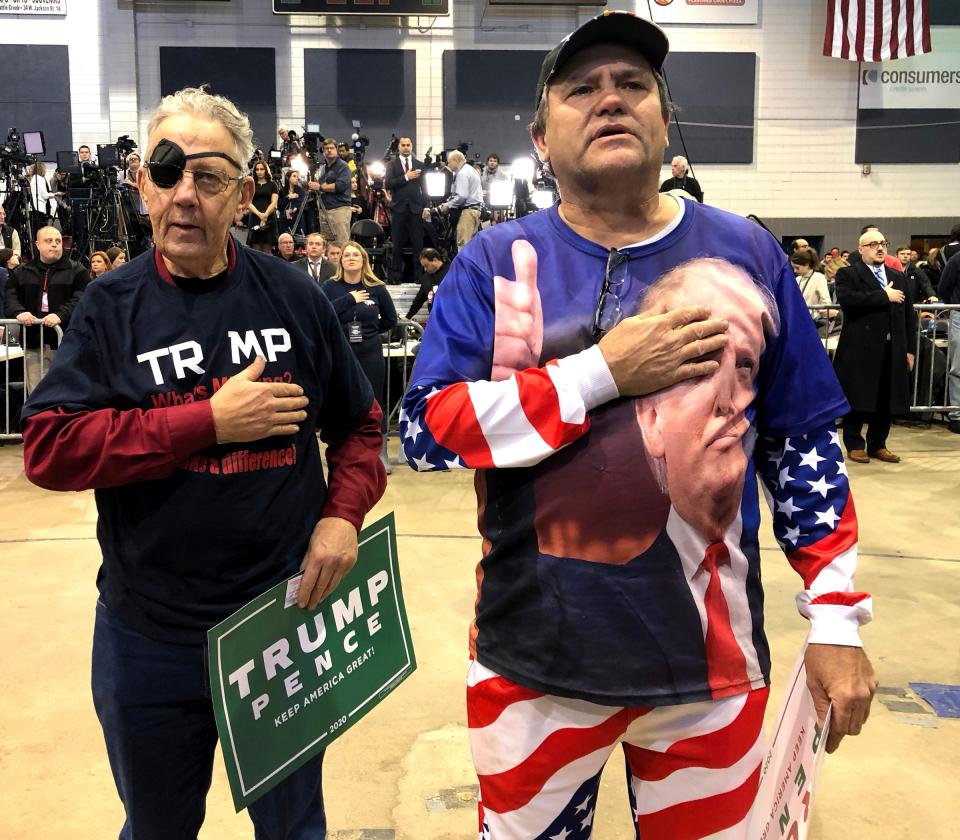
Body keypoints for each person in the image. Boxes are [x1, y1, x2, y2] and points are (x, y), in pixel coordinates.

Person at [400, 12, 876, 838]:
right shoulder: (494, 261)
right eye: (582, 89)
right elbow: (425, 435)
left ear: (665, 118)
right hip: (532, 662)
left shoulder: (748, 255)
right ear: (542, 140)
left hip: (710, 669)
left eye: (634, 85)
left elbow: (802, 446)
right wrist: (600, 376)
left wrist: (835, 617)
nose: (610, 99)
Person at [18, 86, 386, 838]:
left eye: (211, 176)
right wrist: (204, 423)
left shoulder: (296, 298)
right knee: (157, 829)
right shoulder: (109, 308)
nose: (186, 195)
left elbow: (361, 428)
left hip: (279, 624)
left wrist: (341, 519)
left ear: (246, 194)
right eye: (167, 171)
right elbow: (50, 450)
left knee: (293, 830)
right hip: (148, 634)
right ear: (142, 185)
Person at [833, 230, 916, 464]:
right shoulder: (848, 274)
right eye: (873, 244)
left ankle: (878, 444)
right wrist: (883, 295)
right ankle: (855, 443)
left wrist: (909, 350)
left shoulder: (897, 276)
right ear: (861, 249)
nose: (879, 248)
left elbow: (909, 316)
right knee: (859, 397)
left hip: (893, 347)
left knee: (886, 399)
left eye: (883, 243)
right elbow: (849, 301)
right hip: (861, 348)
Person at [322, 242, 397, 473]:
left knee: (373, 401)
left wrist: (370, 332)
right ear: (340, 260)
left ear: (363, 260)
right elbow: (322, 314)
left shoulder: (377, 288)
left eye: (356, 255)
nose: (351, 258)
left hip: (369, 352)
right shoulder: (330, 286)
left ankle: (379, 451)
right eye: (347, 255)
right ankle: (342, 450)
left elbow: (391, 319)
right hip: (341, 352)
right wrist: (350, 300)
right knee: (340, 400)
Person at [4, 226, 88, 391]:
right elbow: (10, 297)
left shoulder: (77, 270)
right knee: (36, 392)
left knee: (66, 391)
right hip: (34, 344)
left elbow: (82, 298)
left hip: (67, 343)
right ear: (38, 244)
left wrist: (60, 314)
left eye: (58, 241)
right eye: (49, 241)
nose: (54, 245)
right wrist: (19, 312)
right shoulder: (22, 271)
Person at [384, 137, 426, 284]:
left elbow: (425, 189)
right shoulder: (392, 165)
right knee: (397, 245)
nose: (406, 147)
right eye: (403, 145)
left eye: (408, 145)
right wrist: (406, 177)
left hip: (416, 209)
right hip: (398, 209)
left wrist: (426, 206)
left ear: (412, 146)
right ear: (399, 147)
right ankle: (395, 277)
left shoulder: (420, 165)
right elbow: (388, 183)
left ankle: (419, 277)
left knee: (418, 245)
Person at [428, 149, 484, 253]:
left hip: (468, 213)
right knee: (471, 247)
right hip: (474, 211)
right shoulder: (470, 170)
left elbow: (462, 196)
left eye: (449, 162)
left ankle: (463, 269)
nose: (448, 165)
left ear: (456, 160)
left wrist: (448, 205)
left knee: (463, 247)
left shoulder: (462, 173)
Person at [309, 139, 352, 250]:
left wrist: (321, 187)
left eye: (331, 148)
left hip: (339, 209)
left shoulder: (343, 166)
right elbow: (319, 184)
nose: (329, 151)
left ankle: (342, 267)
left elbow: (340, 186)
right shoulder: (323, 168)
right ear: (323, 151)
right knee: (327, 245)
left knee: (341, 244)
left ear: (336, 150)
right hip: (324, 209)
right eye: (326, 148)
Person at [939, 250, 960, 434]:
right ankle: (957, 415)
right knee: (958, 368)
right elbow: (944, 288)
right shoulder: (956, 260)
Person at [405, 247, 448, 320]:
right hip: (435, 319)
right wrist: (407, 317)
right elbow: (419, 300)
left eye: (426, 266)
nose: (425, 269)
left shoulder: (451, 272)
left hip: (451, 318)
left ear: (435, 260)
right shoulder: (426, 278)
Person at [246, 160, 279, 254]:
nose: (259, 171)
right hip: (255, 218)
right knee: (255, 249)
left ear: (266, 170)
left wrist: (265, 215)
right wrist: (260, 215)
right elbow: (248, 202)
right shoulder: (251, 185)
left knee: (268, 250)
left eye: (261, 169)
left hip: (269, 218)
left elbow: (274, 202)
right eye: (257, 169)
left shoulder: (273, 184)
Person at [278, 168, 305, 236]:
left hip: (298, 220)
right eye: (294, 176)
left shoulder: (300, 191)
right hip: (285, 220)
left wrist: (296, 208)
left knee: (298, 240)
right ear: (288, 178)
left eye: (297, 176)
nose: (297, 178)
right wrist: (288, 197)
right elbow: (280, 206)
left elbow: (303, 204)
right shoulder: (282, 191)